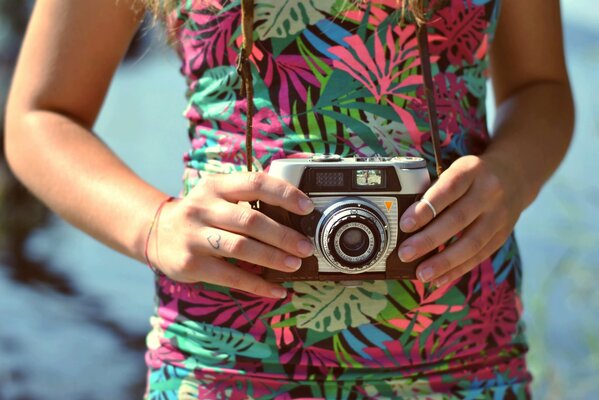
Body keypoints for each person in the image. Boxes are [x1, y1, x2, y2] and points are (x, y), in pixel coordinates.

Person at [4, 0, 573, 398]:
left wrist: (511, 177)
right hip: (227, 360)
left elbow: (539, 87)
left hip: (466, 353)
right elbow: (40, 115)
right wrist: (155, 226)